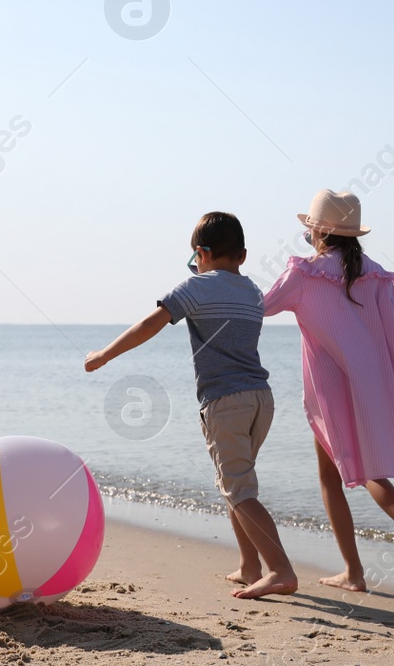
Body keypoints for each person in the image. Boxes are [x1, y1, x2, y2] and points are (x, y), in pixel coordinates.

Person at [84, 211, 297, 600]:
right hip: (260, 400)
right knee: (235, 483)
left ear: (201, 253)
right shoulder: (252, 292)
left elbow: (150, 323)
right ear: (243, 256)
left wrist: (105, 354)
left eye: (194, 257)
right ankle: (250, 566)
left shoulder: (197, 286)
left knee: (240, 489)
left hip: (225, 400)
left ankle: (280, 571)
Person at [263, 189, 394, 591]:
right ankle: (356, 569)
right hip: (375, 380)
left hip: (329, 385)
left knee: (342, 471)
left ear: (316, 231)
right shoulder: (377, 273)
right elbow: (393, 335)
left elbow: (260, 307)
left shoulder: (305, 273)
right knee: (353, 466)